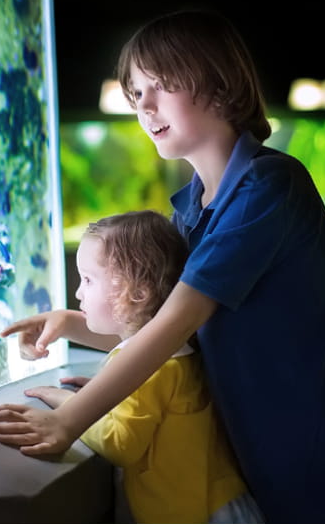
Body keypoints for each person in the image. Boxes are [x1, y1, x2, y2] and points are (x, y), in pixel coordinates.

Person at [0, 8, 325, 523]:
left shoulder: (269, 185)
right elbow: (180, 340)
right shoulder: (189, 207)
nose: (144, 105)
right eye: (135, 92)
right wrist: (74, 326)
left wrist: (70, 420)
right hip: (257, 459)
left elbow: (177, 321)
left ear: (218, 83)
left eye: (160, 85)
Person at [24, 210, 263, 523]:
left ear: (137, 293)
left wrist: (68, 402)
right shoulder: (176, 352)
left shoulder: (153, 367)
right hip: (216, 502)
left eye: (88, 280)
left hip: (198, 513)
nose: (78, 292)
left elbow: (121, 443)